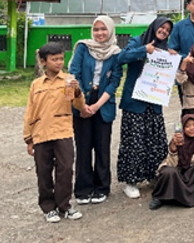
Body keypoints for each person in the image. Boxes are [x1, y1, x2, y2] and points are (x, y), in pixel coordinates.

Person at [23, 42, 85, 223]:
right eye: (54, 59)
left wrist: (78, 91)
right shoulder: (36, 85)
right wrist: (29, 138)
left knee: (65, 170)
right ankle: (48, 207)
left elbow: (79, 106)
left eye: (61, 59)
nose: (59, 62)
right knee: (43, 172)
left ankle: (65, 205)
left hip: (62, 132)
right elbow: (30, 111)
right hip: (41, 134)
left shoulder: (68, 80)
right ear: (43, 61)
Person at [117, 17, 173, 199]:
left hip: (154, 103)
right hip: (135, 103)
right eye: (162, 27)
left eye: (167, 30)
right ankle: (131, 181)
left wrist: (173, 59)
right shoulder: (138, 41)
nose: (164, 31)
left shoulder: (165, 50)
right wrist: (144, 50)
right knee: (134, 141)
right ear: (154, 27)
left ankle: (153, 176)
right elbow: (122, 57)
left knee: (155, 141)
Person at [68, 15, 122, 205]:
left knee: (102, 147)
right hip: (81, 99)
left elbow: (114, 82)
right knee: (83, 147)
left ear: (110, 30)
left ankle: (101, 188)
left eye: (103, 29)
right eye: (96, 29)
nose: (99, 33)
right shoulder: (83, 47)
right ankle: (83, 189)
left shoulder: (116, 52)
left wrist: (97, 106)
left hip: (103, 103)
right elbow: (74, 73)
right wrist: (82, 105)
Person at [149, 114, 194, 210]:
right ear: (183, 128)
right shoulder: (178, 139)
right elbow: (172, 163)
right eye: (187, 126)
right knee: (170, 172)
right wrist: (173, 147)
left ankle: (191, 197)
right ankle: (159, 197)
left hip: (189, 171)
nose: (192, 128)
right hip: (176, 168)